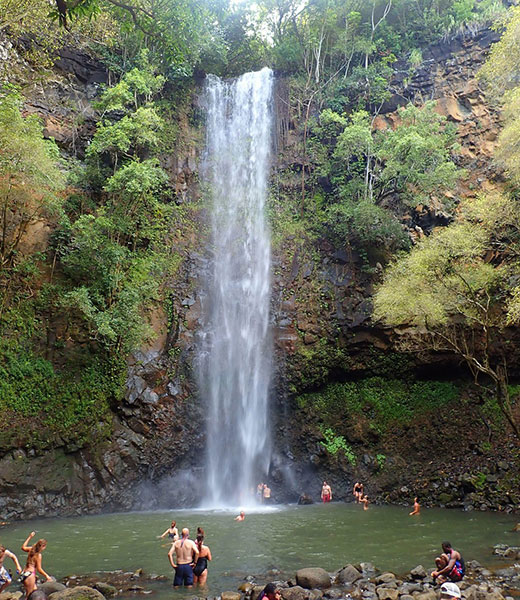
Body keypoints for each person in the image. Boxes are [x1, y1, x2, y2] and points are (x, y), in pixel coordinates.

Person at [21, 532, 53, 598]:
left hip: (25, 573)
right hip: (30, 575)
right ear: (43, 546)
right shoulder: (38, 555)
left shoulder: (31, 549)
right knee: (28, 596)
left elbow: (23, 547)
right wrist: (47, 576)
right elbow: (39, 569)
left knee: (35, 591)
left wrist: (30, 536)